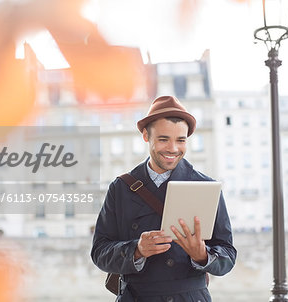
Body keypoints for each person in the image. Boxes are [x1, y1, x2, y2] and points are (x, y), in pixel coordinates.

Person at [91, 95, 236, 301]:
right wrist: (137, 250)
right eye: (163, 139)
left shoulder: (206, 186)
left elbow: (228, 255)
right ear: (145, 136)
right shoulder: (121, 187)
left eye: (181, 140)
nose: (173, 149)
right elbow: (99, 252)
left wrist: (203, 255)